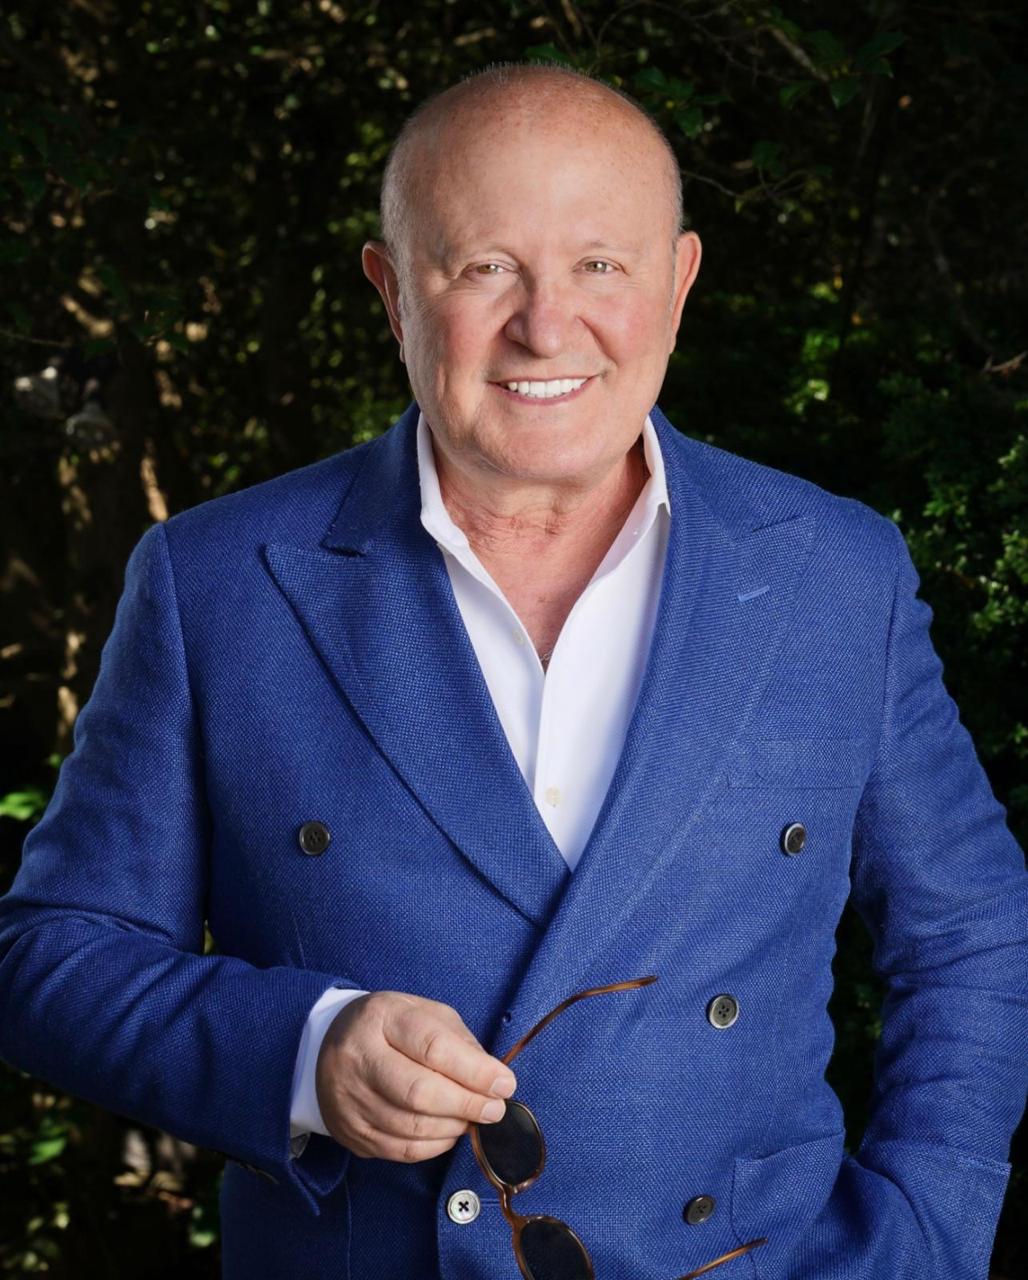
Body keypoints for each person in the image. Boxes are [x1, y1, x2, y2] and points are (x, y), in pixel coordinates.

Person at [0, 62, 1025, 1280]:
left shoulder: (835, 573)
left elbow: (967, 928)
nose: (546, 324)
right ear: (392, 291)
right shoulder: (214, 581)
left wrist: (925, 1232)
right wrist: (305, 1050)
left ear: (678, 284)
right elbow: (52, 954)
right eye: (484, 266)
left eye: (600, 264)